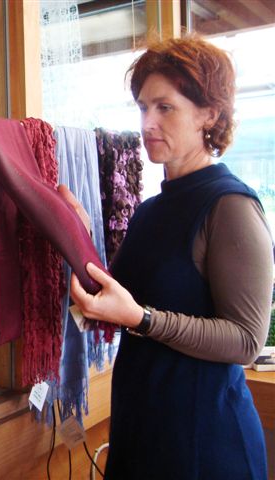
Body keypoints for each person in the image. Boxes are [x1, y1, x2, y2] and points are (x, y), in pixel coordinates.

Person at [68, 36, 273, 479]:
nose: (148, 123)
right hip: (141, 432)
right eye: (143, 107)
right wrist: (75, 235)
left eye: (165, 108)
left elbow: (245, 341)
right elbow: (114, 303)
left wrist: (143, 320)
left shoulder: (231, 206)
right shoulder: (149, 211)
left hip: (204, 443)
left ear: (209, 114)